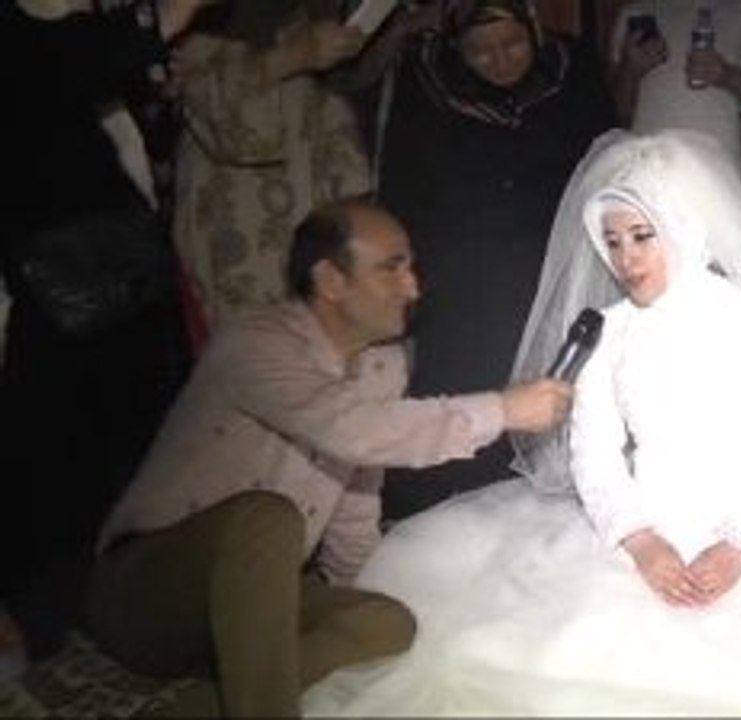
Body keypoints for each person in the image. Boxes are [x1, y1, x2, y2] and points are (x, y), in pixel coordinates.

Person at [301, 129, 741, 715]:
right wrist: (640, 540)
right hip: (640, 527)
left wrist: (738, 545)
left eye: (642, 236)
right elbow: (592, 450)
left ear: (684, 226)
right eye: (612, 242)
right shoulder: (611, 329)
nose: (625, 259)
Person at [86, 199, 571, 717]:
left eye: (411, 268)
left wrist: (363, 589)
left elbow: (355, 500)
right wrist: (503, 409)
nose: (413, 288)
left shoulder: (381, 365)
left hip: (255, 602)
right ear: (331, 280)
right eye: (392, 268)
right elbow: (353, 431)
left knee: (387, 623)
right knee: (266, 517)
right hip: (147, 597)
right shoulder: (253, 342)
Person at [0, 0, 204, 662]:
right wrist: (157, 18)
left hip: (102, 265)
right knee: (58, 452)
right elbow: (69, 58)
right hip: (65, 275)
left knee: (123, 442)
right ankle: (37, 619)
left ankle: (119, 600)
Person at [356, 0, 615, 517]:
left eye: (513, 43)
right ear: (457, 46)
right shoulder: (426, 80)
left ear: (534, 29)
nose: (500, 60)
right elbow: (403, 185)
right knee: (467, 392)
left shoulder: (571, 70)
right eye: (481, 51)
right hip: (461, 278)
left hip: (549, 267)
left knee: (552, 388)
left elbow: (602, 163)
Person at [171, 0, 372, 331]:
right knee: (264, 338)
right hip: (244, 192)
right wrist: (294, 55)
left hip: (319, 178)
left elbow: (350, 76)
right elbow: (201, 92)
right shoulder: (208, 27)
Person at [608, 0, 741, 172]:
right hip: (645, 170)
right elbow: (615, 112)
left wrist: (728, 77)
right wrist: (630, 71)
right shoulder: (635, 12)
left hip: (717, 171)